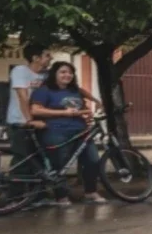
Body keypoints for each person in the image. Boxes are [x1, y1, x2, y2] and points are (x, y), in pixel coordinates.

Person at [29, 61, 105, 205]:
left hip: (81, 132)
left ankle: (90, 192)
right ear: (55, 74)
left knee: (92, 160)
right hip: (56, 132)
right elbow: (35, 110)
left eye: (70, 72)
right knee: (60, 164)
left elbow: (79, 108)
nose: (67, 75)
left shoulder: (74, 91)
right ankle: (61, 196)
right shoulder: (44, 90)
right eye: (63, 72)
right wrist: (64, 113)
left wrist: (87, 112)